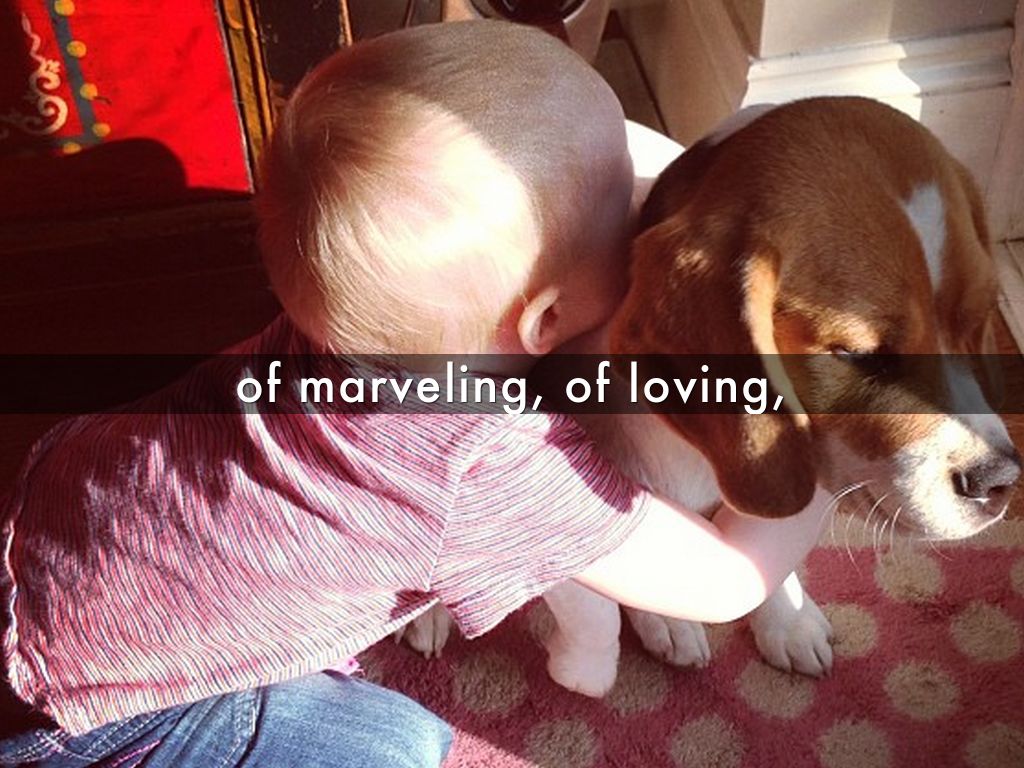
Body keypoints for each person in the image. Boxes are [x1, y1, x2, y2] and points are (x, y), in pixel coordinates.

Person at [0, 20, 830, 767]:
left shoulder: (358, 311)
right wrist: (824, 445)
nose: (649, 211)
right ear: (544, 318)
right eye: (627, 203)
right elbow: (726, 583)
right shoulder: (486, 468)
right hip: (93, 713)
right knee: (393, 746)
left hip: (50, 513)